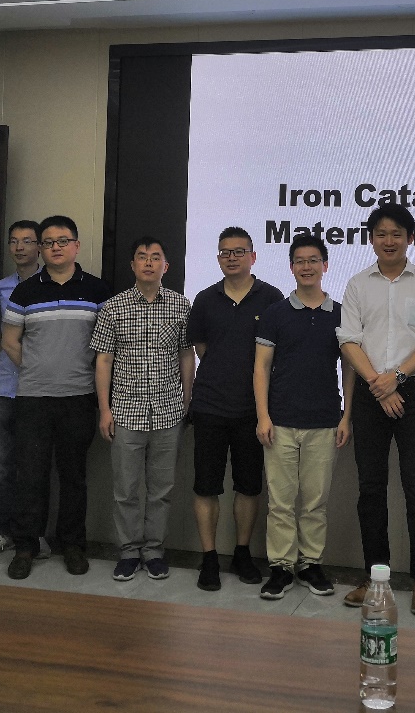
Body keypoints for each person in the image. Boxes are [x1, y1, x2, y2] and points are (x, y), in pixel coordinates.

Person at [337, 205, 415, 617]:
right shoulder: (357, 284)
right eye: (381, 233)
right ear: (371, 239)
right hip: (371, 391)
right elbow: (348, 340)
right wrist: (378, 385)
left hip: (413, 391)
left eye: (396, 233)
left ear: (409, 238)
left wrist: (395, 378)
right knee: (371, 489)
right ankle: (374, 577)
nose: (388, 240)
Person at [2, 215, 111, 580]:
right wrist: (37, 368)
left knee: (74, 476)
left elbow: (107, 348)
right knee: (30, 477)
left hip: (79, 397)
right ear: (41, 249)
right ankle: (25, 547)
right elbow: (9, 341)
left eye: (63, 241)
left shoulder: (97, 291)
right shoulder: (25, 292)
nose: (55, 248)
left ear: (76, 246)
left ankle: (72, 545)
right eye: (48, 242)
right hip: (33, 398)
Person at [253, 235, 353, 599]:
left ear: (325, 265)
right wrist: (263, 416)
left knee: (315, 502)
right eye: (299, 260)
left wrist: (346, 416)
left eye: (313, 260)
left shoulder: (341, 314)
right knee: (280, 502)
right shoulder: (276, 313)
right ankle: (281, 567)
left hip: (325, 421)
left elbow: (350, 370)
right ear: (291, 267)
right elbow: (261, 368)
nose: (306, 266)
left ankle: (311, 564)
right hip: (280, 421)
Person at [92, 237, 195, 583]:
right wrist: (104, 409)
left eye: (155, 257)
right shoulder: (113, 307)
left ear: (166, 266)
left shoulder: (181, 305)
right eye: (142, 257)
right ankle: (128, 552)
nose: (148, 263)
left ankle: (153, 551)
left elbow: (186, 355)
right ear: (133, 265)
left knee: (161, 490)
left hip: (168, 412)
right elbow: (103, 361)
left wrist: (187, 399)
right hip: (125, 412)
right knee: (125, 490)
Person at [188, 227, 284, 591]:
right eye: (225, 252)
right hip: (210, 406)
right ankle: (209, 558)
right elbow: (201, 348)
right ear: (218, 258)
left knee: (248, 486)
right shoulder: (204, 299)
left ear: (253, 256)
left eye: (239, 251)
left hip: (252, 410)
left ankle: (242, 553)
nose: (232, 257)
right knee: (206, 487)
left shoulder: (271, 298)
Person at [0, 220, 47, 561]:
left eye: (27, 241)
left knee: (37, 467)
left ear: (40, 247)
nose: (19, 247)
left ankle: (35, 535)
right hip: (4, 388)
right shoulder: (0, 288)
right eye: (14, 241)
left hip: (41, 390)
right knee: (1, 466)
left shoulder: (51, 284)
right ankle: (1, 531)